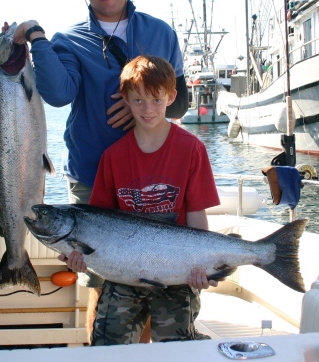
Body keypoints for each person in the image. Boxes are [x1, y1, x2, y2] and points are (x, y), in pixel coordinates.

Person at [12, 0, 189, 342]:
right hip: (94, 174)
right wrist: (38, 38)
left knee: (152, 271)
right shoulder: (67, 40)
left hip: (154, 177)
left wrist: (140, 103)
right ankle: (106, 351)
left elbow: (180, 103)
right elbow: (58, 95)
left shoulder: (161, 32)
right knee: (105, 279)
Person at [69, 55, 221, 345]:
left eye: (156, 100)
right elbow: (98, 225)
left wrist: (202, 267)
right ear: (125, 99)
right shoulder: (113, 157)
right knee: (107, 344)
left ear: (171, 97)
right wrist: (81, 258)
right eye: (138, 101)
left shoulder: (192, 149)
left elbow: (196, 214)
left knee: (175, 347)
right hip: (124, 273)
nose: (147, 109)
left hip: (178, 273)